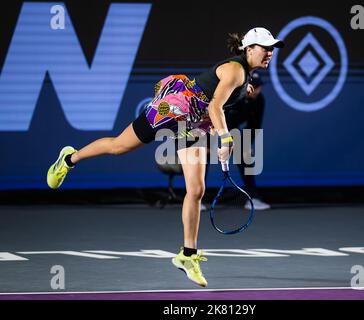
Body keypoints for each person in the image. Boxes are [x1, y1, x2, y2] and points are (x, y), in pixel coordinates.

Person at [46, 27, 284, 287]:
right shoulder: (235, 70)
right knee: (118, 146)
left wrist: (217, 130)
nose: (270, 52)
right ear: (249, 49)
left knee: (196, 189)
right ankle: (69, 159)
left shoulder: (245, 78)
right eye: (265, 47)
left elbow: (213, 109)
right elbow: (215, 106)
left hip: (192, 125)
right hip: (172, 109)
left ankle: (187, 254)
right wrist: (226, 139)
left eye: (272, 48)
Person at [224, 71, 271, 210]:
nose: (258, 90)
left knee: (245, 157)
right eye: (255, 87)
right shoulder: (232, 97)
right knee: (205, 156)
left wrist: (245, 145)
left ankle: (253, 198)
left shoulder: (259, 100)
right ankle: (197, 199)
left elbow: (254, 126)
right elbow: (225, 121)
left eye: (259, 86)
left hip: (232, 129)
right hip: (212, 126)